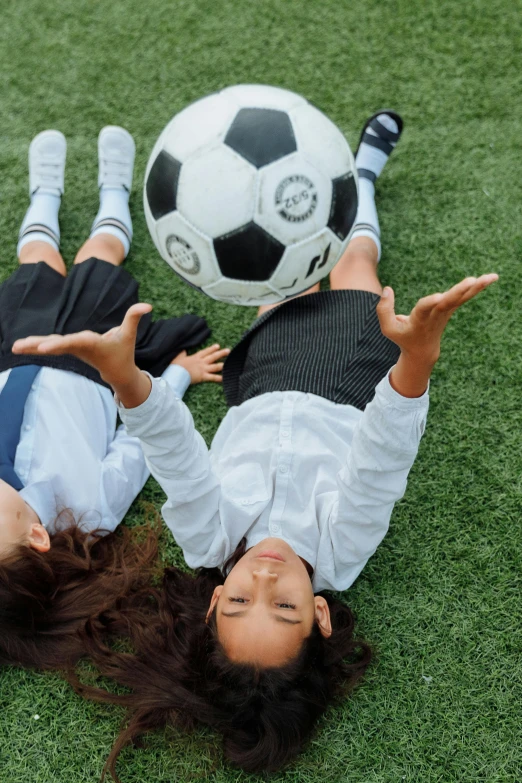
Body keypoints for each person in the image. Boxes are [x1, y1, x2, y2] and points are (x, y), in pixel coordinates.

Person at [13, 111, 498, 773]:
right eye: (287, 605)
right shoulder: (341, 547)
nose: (264, 577)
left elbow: (176, 453)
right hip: (349, 380)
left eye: (240, 600)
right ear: (321, 616)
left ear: (214, 599)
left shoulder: (210, 539)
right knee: (355, 259)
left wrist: (127, 377)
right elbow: (383, 457)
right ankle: (361, 176)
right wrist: (414, 361)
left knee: (286, 273)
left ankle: (311, 188)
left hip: (265, 380)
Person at [0, 125, 228, 670]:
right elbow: (137, 445)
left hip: (13, 351)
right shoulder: (90, 509)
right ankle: (112, 192)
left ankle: (45, 194)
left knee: (37, 261)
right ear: (36, 535)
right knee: (100, 257)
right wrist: (176, 376)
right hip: (87, 359)